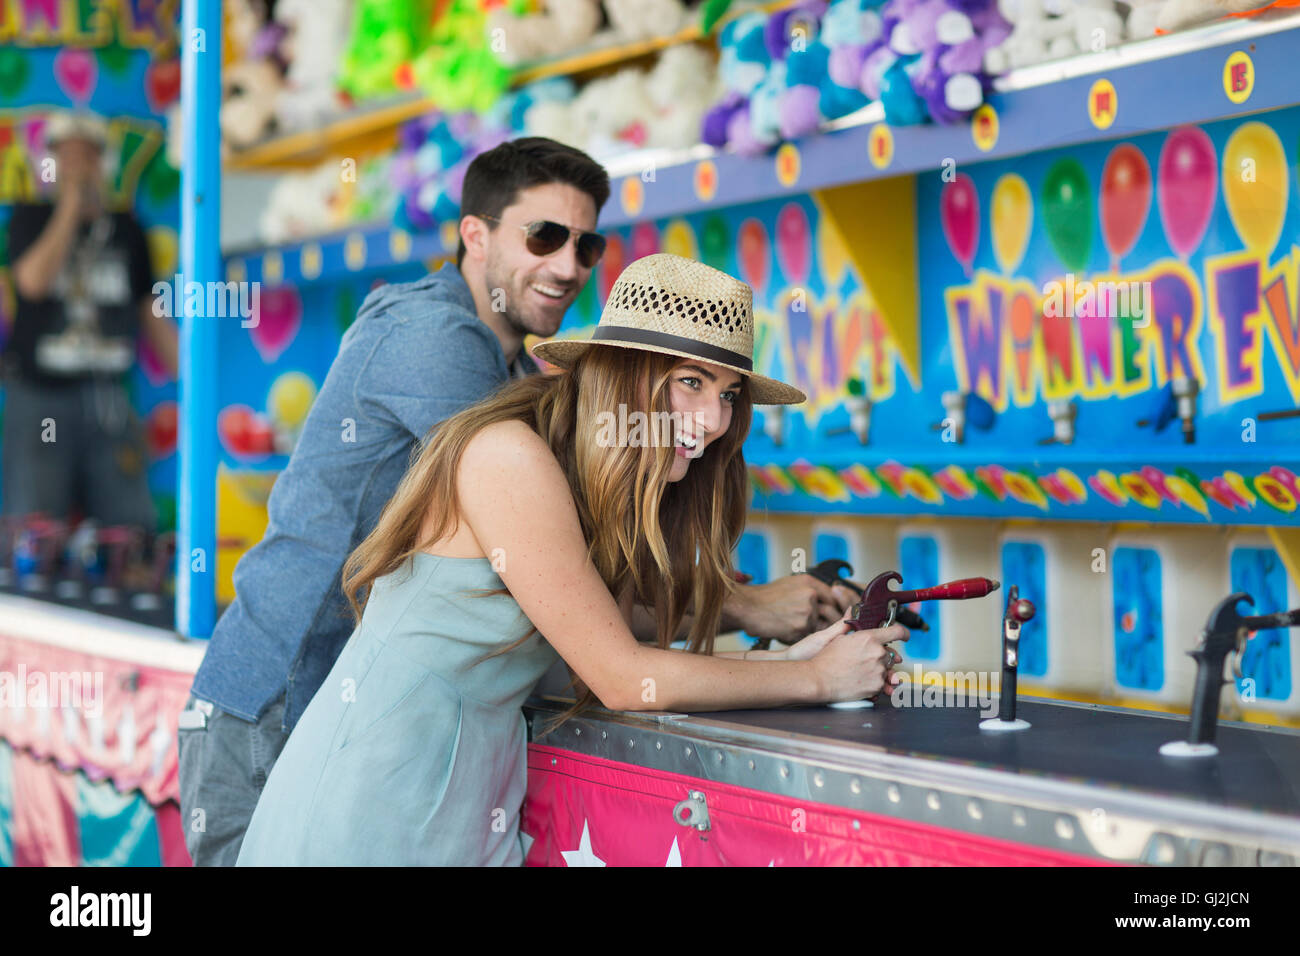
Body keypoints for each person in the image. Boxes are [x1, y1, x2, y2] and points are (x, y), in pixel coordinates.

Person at [179, 138, 855, 866]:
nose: (568, 264)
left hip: (439, 786)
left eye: (587, 244)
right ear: (476, 233)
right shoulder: (444, 353)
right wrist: (786, 649)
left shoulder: (519, 387)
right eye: (545, 236)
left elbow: (567, 601)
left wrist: (788, 643)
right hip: (281, 698)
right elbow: (597, 638)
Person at [3, 110, 178, 528]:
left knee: (129, 524)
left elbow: (148, 311)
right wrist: (68, 209)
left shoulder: (127, 229)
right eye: (66, 156)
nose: (77, 166)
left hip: (110, 400)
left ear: (104, 164)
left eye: (87, 156)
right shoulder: (30, 217)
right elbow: (32, 283)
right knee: (36, 524)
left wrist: (191, 376)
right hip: (39, 396)